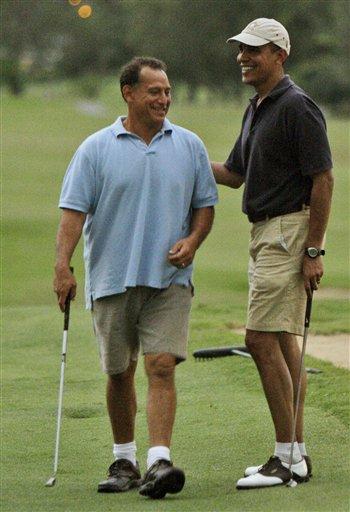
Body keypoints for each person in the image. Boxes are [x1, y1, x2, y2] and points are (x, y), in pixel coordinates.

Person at [53, 56, 218, 499]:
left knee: (161, 365)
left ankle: (158, 461)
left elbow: (206, 206)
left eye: (167, 91)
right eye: (154, 91)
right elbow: (73, 211)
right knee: (120, 371)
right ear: (129, 93)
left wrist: (194, 240)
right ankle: (124, 459)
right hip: (110, 277)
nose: (164, 99)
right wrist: (63, 266)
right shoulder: (95, 148)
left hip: (169, 277)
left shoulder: (189, 145)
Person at [211, 18, 333, 489]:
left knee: (260, 339)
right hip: (265, 232)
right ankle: (296, 453)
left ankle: (284, 460)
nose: (243, 56)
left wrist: (314, 249)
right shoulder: (258, 106)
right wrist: (181, 154)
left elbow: (323, 179)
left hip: (288, 232)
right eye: (241, 48)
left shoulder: (297, 107)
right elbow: (235, 172)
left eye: (254, 50)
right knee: (282, 341)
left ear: (279, 55)